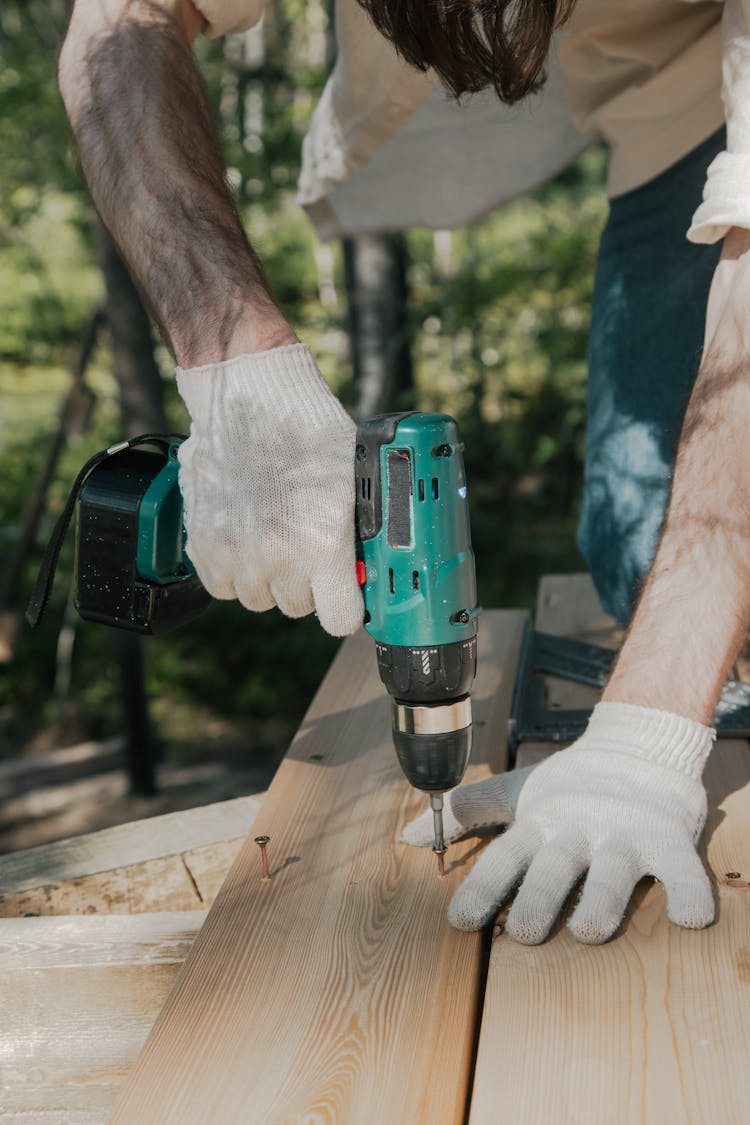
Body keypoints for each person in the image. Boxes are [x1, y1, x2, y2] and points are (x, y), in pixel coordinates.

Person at [58, 0, 750, 944]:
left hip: (718, 96)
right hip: (649, 110)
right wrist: (234, 367)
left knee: (692, 595)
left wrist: (646, 737)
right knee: (637, 556)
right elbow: (120, 20)